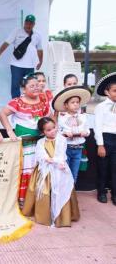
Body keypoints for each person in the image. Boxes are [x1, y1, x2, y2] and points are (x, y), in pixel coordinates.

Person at [0, 74, 51, 206]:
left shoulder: (43, 101)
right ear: (24, 88)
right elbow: (2, 114)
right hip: (24, 142)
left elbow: (48, 117)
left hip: (40, 141)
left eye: (37, 85)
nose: (36, 88)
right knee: (25, 168)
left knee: (37, 167)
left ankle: (37, 197)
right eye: (32, 86)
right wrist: (10, 131)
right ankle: (23, 199)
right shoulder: (18, 102)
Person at [22, 117, 80, 227]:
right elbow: (40, 155)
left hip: (60, 168)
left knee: (63, 189)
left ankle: (63, 216)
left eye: (54, 128)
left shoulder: (61, 139)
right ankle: (45, 215)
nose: (53, 131)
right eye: (48, 130)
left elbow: (61, 154)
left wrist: (56, 161)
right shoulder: (40, 142)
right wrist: (47, 159)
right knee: (45, 190)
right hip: (46, 169)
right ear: (43, 132)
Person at [0, 15, 43, 98]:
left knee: (30, 86)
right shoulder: (17, 31)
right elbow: (6, 43)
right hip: (16, 65)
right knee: (15, 86)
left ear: (34, 24)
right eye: (27, 23)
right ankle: (15, 104)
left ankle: (28, 104)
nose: (28, 25)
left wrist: (40, 61)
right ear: (24, 23)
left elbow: (40, 49)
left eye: (31, 23)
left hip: (30, 65)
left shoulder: (37, 35)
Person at [53, 86, 92, 184]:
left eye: (77, 102)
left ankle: (71, 195)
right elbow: (58, 132)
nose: (75, 105)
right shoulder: (62, 118)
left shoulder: (83, 117)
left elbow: (87, 130)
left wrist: (86, 133)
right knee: (64, 171)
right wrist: (64, 133)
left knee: (74, 173)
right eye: (72, 102)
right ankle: (63, 195)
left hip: (78, 149)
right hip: (66, 148)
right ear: (66, 105)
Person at [94, 72, 116, 205]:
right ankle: (101, 192)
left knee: (115, 168)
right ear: (107, 92)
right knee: (103, 168)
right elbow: (97, 127)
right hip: (105, 140)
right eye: (114, 91)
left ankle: (114, 194)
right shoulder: (101, 107)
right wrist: (100, 145)